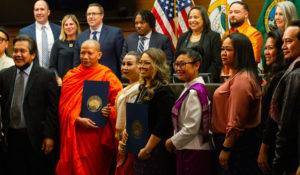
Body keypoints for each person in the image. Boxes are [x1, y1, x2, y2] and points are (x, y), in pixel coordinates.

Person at [56, 39, 123, 175]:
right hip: (75, 131)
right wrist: (76, 119)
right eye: (82, 53)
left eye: (90, 53)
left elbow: (120, 104)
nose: (85, 57)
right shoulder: (70, 76)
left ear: (99, 55)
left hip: (96, 136)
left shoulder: (106, 75)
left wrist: (109, 110)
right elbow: (63, 108)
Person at [0, 34, 59, 175]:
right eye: (15, 51)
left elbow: (52, 109)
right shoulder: (4, 75)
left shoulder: (46, 76)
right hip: (11, 137)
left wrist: (49, 136)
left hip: (36, 138)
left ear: (33, 55)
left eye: (22, 51)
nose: (18, 54)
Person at [212, 33, 261, 175]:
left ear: (240, 51)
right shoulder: (239, 75)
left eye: (228, 49)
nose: (223, 53)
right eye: (222, 49)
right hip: (232, 142)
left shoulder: (242, 80)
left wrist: (226, 149)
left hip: (235, 145)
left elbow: (236, 120)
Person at [165, 46, 213, 175]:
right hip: (189, 147)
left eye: (182, 64)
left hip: (194, 150)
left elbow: (191, 127)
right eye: (176, 64)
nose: (178, 68)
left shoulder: (194, 92)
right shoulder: (190, 87)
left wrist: (172, 141)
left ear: (196, 65)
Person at [133, 48, 175, 174]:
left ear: (157, 66)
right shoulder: (143, 87)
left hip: (154, 150)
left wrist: (148, 149)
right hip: (140, 145)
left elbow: (162, 124)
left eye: (147, 63)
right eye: (140, 62)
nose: (141, 66)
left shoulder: (163, 91)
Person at [269, 20, 300, 175]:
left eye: (289, 41)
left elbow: (285, 125)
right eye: (283, 42)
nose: (283, 47)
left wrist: (277, 164)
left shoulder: (295, 76)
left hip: (292, 158)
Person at [257, 30, 285, 175]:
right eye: (265, 48)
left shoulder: (280, 77)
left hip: (273, 144)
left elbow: (272, 117)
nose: (266, 52)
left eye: (271, 48)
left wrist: (264, 147)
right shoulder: (272, 74)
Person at [73, 3, 124, 78]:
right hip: (86, 80)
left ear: (102, 15)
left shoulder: (115, 33)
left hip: (108, 80)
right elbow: (77, 63)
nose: (91, 17)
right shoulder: (80, 37)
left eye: (94, 14)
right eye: (88, 14)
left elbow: (121, 59)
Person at [175, 6, 222, 82]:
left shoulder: (213, 36)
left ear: (204, 19)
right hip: (183, 81)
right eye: (190, 18)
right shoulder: (182, 37)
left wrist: (204, 79)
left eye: (196, 17)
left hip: (206, 81)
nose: (192, 20)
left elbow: (217, 62)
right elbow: (176, 59)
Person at [115, 51, 141, 175]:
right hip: (121, 137)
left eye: (129, 64)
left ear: (140, 66)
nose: (124, 67)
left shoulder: (140, 88)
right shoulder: (127, 88)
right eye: (123, 64)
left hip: (131, 137)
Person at [222, 1, 263, 75]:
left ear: (246, 14)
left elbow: (252, 60)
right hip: (226, 78)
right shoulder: (226, 35)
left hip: (245, 77)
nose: (232, 15)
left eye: (237, 12)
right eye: (230, 12)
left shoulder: (254, 34)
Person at [19, 0, 61, 68]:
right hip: (34, 74)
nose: (39, 12)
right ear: (33, 12)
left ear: (48, 12)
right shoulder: (24, 32)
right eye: (36, 10)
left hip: (55, 74)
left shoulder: (59, 30)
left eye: (42, 9)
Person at [49, 14, 81, 86]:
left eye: (71, 24)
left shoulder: (82, 41)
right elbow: (52, 66)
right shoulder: (58, 43)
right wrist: (57, 78)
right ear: (63, 28)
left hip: (80, 83)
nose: (68, 27)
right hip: (63, 84)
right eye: (66, 25)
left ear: (76, 25)